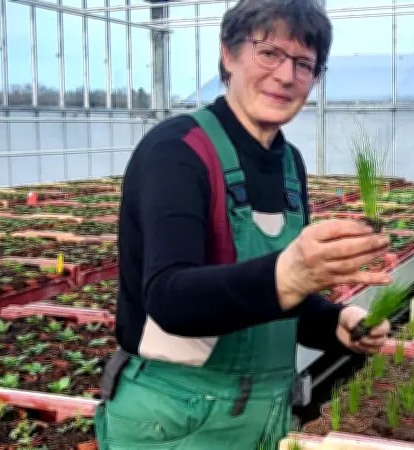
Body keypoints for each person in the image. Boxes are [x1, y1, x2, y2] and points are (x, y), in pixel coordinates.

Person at [94, 1, 392, 448]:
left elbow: (274, 306)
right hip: (174, 416)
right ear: (228, 55)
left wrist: (336, 322)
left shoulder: (289, 164)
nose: (286, 75)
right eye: (268, 52)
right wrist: (287, 274)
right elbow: (170, 298)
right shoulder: (178, 150)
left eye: (304, 64)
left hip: (264, 413)